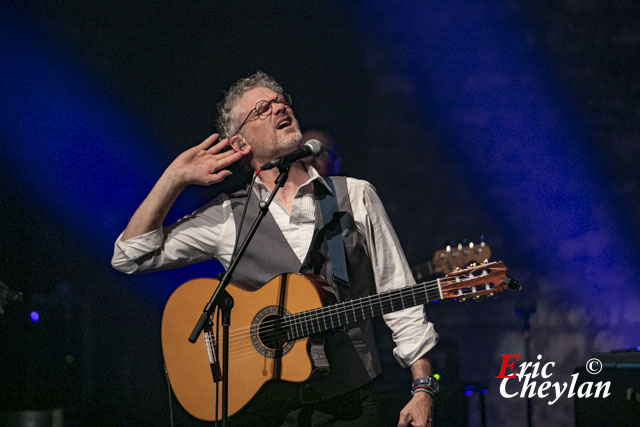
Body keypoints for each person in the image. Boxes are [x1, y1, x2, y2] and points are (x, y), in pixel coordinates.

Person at [111, 71, 438, 426]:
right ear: (239, 145)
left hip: (349, 405)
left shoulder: (355, 195)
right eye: (263, 108)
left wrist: (422, 387)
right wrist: (174, 178)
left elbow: (400, 293)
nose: (279, 107)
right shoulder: (228, 216)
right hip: (260, 406)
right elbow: (130, 256)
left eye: (281, 101)